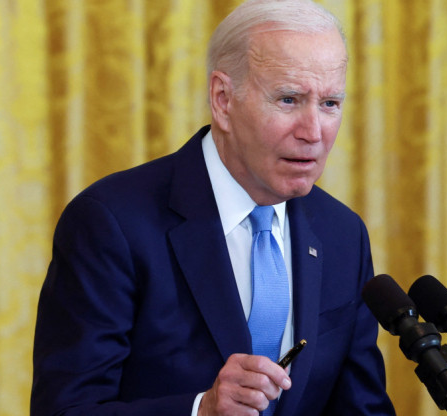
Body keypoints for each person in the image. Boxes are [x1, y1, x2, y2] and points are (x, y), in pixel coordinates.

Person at [30, 0, 396, 415]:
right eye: (289, 100)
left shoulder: (342, 233)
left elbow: (360, 407)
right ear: (223, 99)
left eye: (330, 103)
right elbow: (64, 410)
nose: (313, 132)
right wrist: (200, 410)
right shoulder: (112, 222)